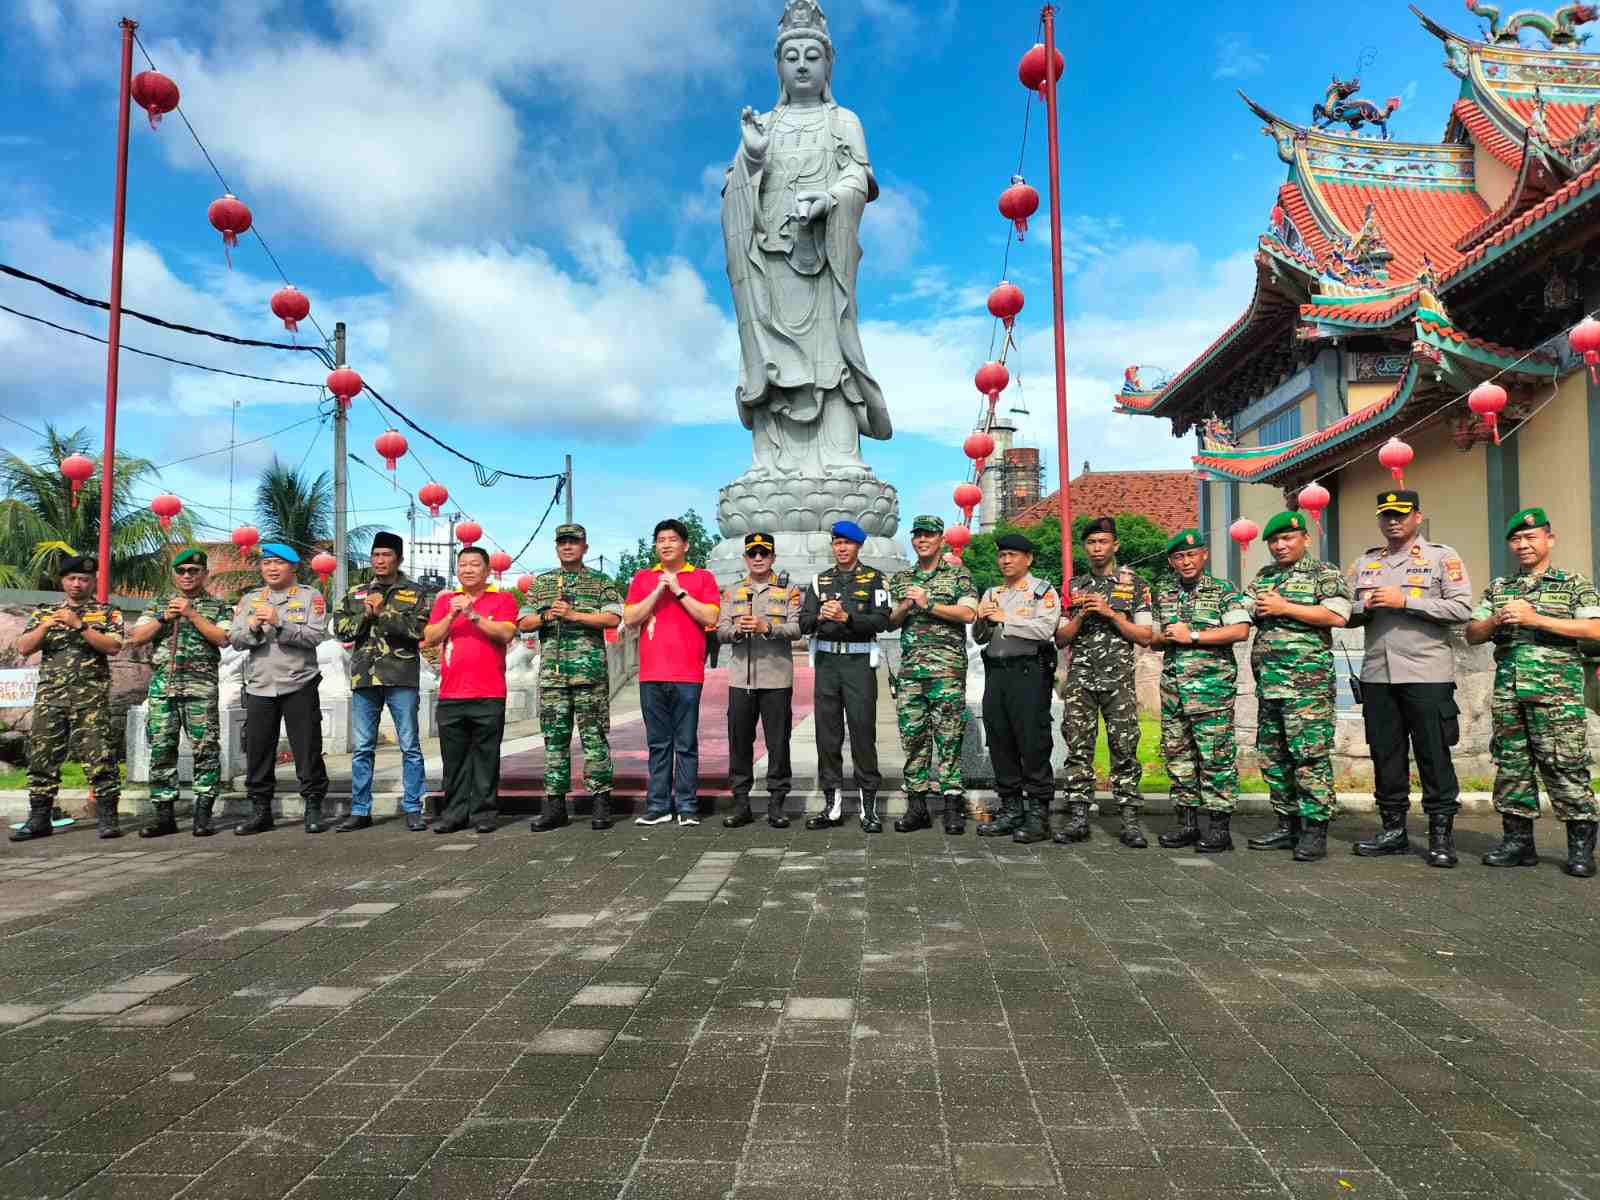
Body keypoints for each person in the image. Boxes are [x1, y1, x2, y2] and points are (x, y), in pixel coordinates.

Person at [1465, 507, 1600, 877]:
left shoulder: (1573, 584)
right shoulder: (1499, 588)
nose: (1522, 544)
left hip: (1556, 697)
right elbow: (1472, 633)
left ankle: (1580, 849)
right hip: (1509, 696)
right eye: (1516, 539)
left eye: (1530, 537)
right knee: (1512, 768)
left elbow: (1595, 630)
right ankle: (1518, 843)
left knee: (1565, 766)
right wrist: (1496, 619)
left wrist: (1536, 619)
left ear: (1549, 540)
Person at [1346, 490, 1473, 867]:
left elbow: (1461, 608)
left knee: (1434, 754)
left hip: (1426, 673)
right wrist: (1364, 606)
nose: (1393, 521)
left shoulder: (1441, 558)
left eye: (1400, 514)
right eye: (1386, 515)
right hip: (1377, 674)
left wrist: (1406, 601)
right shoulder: (1365, 562)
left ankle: (1440, 835)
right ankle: (1393, 831)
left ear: (1417, 517)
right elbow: (1343, 611)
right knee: (1385, 754)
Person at [1241, 511, 1352, 862]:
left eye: (1287, 538)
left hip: (1307, 688)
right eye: (1274, 541)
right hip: (1270, 685)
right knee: (1273, 756)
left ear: (1305, 538)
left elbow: (1337, 615)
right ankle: (1286, 825)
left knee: (1309, 756)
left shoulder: (1324, 573)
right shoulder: (1265, 576)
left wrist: (1284, 606)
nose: (1280, 545)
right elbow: (1242, 610)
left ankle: (1315, 830)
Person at [1148, 530, 1252, 852]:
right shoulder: (1164, 593)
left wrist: (1192, 636)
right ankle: (1188, 825)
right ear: (1171, 561)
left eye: (1192, 555)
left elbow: (1240, 630)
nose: (1186, 561)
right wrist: (1165, 637)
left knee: (1216, 758)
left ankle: (1219, 829)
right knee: (1178, 758)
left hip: (1211, 691)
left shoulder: (1223, 590)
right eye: (1179, 557)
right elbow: (1153, 639)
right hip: (1174, 693)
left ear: (1204, 555)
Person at [11, 555, 126, 842]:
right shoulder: (45, 612)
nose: (77, 584)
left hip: (91, 699)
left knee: (100, 758)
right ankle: (39, 819)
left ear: (93, 582)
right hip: (51, 698)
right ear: (63, 581)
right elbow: (24, 647)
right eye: (72, 578)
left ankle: (108, 819)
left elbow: (113, 646)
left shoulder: (107, 613)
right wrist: (46, 626)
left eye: (84, 579)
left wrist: (80, 625)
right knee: (42, 759)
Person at [1055, 516, 1154, 847]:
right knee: (1078, 748)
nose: (1097, 548)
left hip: (1118, 680)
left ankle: (1129, 822)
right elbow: (1061, 638)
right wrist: (1082, 614)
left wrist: (1111, 614)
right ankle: (1078, 818)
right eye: (1091, 542)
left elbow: (1145, 636)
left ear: (1115, 545)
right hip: (1081, 680)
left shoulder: (1136, 585)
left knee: (1124, 749)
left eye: (1103, 541)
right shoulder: (1073, 586)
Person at [520, 524, 624, 833]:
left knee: (594, 738)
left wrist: (574, 615)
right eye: (562, 542)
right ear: (556, 547)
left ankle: (601, 802)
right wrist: (546, 616)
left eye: (573, 542)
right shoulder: (542, 583)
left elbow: (613, 617)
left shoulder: (600, 581)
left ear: (584, 547)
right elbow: (523, 621)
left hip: (589, 675)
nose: (567, 547)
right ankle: (555, 807)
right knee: (554, 742)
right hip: (553, 677)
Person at [228, 543, 332, 836]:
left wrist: (279, 622)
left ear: (293, 567)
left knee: (307, 749)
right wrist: (253, 628)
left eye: (278, 563)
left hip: (299, 683)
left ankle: (313, 806)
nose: (271, 568)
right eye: (267, 563)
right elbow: (235, 640)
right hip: (260, 685)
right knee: (259, 751)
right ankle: (260, 811)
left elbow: (314, 636)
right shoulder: (250, 599)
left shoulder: (310, 597)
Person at [127, 548, 232, 837]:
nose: (187, 575)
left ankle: (203, 815)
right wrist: (164, 618)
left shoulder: (218, 607)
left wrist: (192, 614)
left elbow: (223, 638)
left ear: (205, 574)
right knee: (161, 750)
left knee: (205, 750)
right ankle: (165, 817)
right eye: (182, 571)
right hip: (163, 689)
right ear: (175, 575)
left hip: (200, 689)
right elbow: (136, 637)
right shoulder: (158, 604)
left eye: (194, 571)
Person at [624, 519, 722, 827]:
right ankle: (658, 805)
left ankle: (688, 806)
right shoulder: (643, 578)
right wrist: (658, 591)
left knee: (686, 743)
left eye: (672, 539)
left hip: (687, 674)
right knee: (658, 744)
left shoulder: (702, 577)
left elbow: (710, 616)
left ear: (685, 545)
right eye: (661, 540)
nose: (666, 544)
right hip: (651, 674)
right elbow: (630, 617)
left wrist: (678, 591)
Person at [331, 532, 431, 833]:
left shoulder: (415, 592)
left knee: (409, 745)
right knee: (363, 748)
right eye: (375, 555)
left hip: (401, 676)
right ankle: (360, 810)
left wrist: (384, 613)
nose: (380, 560)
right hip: (364, 677)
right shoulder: (356, 593)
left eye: (386, 555)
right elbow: (341, 630)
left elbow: (419, 630)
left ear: (398, 559)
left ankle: (413, 808)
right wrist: (366, 613)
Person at [798, 520, 892, 831]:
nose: (841, 548)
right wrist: (820, 616)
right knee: (827, 734)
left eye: (847, 543)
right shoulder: (820, 580)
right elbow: (803, 622)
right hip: (827, 663)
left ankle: (869, 808)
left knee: (862, 731)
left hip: (858, 662)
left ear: (858, 546)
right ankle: (832, 806)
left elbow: (881, 622)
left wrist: (846, 617)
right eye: (837, 543)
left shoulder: (874, 579)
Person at [888, 515, 977, 834]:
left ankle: (952, 806)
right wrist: (905, 605)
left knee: (949, 738)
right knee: (913, 739)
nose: (922, 540)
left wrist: (928, 605)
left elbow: (968, 613)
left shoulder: (958, 575)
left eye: (929, 535)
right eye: (918, 535)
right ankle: (917, 807)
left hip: (947, 671)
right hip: (911, 673)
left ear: (941, 539)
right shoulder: (902, 577)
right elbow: (891, 621)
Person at [423, 546, 519, 833]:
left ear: (487, 570)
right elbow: (430, 637)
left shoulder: (502, 599)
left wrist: (473, 615)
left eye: (474, 564)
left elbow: (506, 633)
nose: (467, 569)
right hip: (451, 694)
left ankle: (484, 814)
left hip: (489, 693)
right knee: (454, 761)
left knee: (486, 758)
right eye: (463, 564)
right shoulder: (445, 601)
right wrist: (453, 615)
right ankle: (454, 813)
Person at [972, 533, 1060, 843]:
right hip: (997, 673)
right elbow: (980, 637)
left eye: (1012, 555)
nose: (1006, 560)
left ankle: (1038, 814)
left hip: (1028, 672)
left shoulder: (1041, 591)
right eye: (1002, 555)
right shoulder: (992, 592)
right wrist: (982, 620)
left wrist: (1005, 618)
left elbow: (1045, 629)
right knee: (1000, 739)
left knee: (1032, 741)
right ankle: (1010, 808)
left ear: (1028, 558)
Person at [717, 532, 804, 828]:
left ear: (773, 557)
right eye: (752, 553)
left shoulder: (788, 589)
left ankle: (777, 803)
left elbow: (796, 628)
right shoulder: (732, 591)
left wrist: (767, 627)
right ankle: (741, 803)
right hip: (741, 679)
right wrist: (737, 631)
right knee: (739, 742)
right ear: (745, 558)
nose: (758, 558)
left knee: (778, 743)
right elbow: (721, 630)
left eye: (763, 553)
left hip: (776, 678)